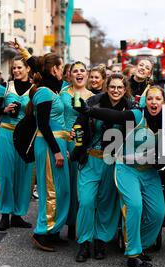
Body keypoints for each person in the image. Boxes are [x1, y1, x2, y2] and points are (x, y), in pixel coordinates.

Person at [75, 85, 165, 267]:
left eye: (158, 99)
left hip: (150, 172)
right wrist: (89, 110)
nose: (154, 102)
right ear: (144, 101)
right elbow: (113, 116)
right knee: (134, 205)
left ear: (164, 101)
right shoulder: (137, 115)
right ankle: (133, 253)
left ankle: (138, 244)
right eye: (150, 99)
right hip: (127, 169)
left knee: (158, 214)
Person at [73, 73, 133, 263]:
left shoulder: (130, 107)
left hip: (113, 162)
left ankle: (101, 241)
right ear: (107, 87)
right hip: (91, 159)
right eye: (112, 87)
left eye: (120, 88)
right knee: (86, 201)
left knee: (107, 204)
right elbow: (79, 123)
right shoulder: (94, 102)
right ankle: (84, 242)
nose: (116, 90)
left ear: (125, 90)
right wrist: (76, 133)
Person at [29, 53, 70, 252]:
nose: (63, 70)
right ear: (54, 68)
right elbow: (43, 125)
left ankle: (53, 230)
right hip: (48, 145)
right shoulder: (45, 92)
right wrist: (56, 152)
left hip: (57, 143)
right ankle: (41, 232)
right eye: (61, 67)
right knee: (50, 189)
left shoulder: (52, 88)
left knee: (61, 188)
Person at [0, 56, 34, 232]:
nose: (16, 71)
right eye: (14, 68)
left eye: (19, 67)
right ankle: (4, 215)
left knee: (24, 176)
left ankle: (18, 215)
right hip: (6, 133)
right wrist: (4, 110)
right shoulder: (4, 87)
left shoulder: (35, 90)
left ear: (27, 69)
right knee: (5, 175)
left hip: (25, 137)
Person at [59, 61, 95, 244]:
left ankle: (78, 225)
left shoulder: (94, 97)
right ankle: (61, 224)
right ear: (69, 75)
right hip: (65, 143)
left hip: (83, 146)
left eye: (82, 71)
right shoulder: (62, 94)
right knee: (66, 185)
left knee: (81, 187)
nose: (79, 74)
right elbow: (56, 117)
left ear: (87, 75)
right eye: (75, 71)